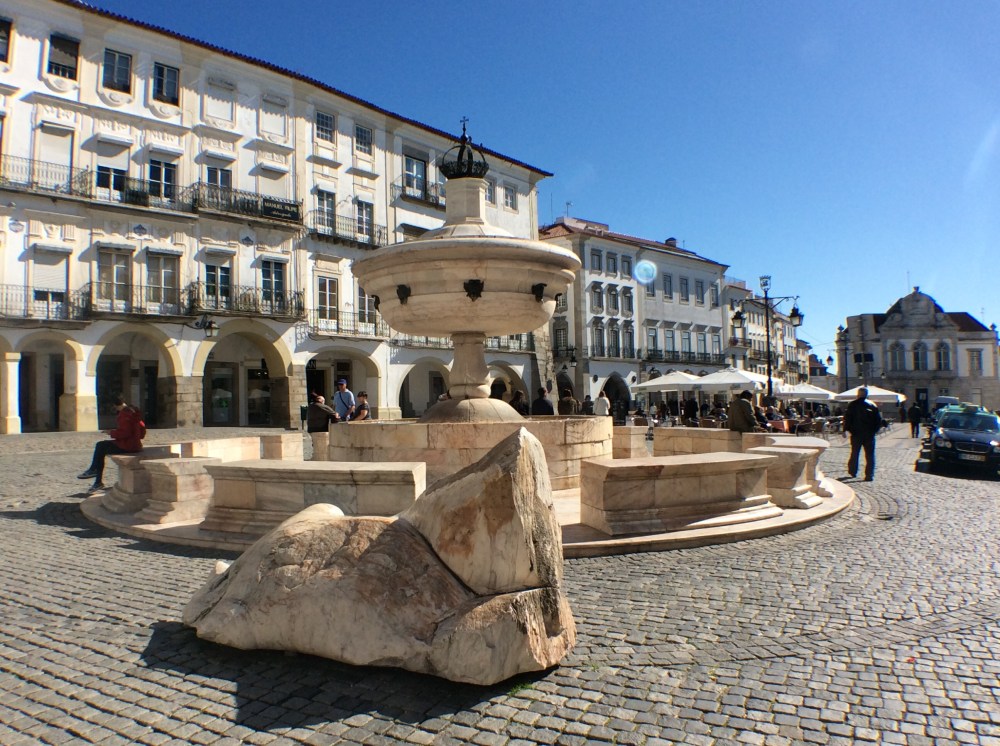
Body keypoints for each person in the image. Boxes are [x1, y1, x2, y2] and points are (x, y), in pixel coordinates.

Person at [77, 393, 144, 493]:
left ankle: (96, 476)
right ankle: (96, 478)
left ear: (115, 405)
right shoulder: (132, 411)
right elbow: (142, 429)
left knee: (100, 446)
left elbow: (125, 433)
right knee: (102, 447)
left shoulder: (124, 414)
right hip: (135, 444)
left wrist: (111, 432)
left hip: (128, 446)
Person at [844, 387, 884, 481]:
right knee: (870, 455)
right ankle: (869, 475)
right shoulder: (872, 405)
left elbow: (848, 418)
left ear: (858, 394)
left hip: (856, 433)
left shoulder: (852, 405)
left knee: (855, 453)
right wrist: (874, 431)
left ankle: (853, 471)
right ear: (867, 395)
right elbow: (878, 420)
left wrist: (846, 429)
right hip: (869, 434)